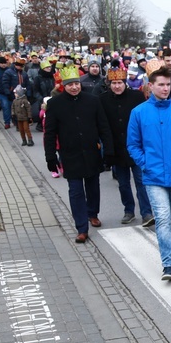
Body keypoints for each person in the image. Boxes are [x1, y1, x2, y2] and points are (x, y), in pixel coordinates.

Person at [127, 60, 171, 280]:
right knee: (163, 217)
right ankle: (168, 263)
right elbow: (133, 144)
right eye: (161, 84)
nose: (165, 88)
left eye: (168, 84)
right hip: (154, 176)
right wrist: (146, 163)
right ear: (150, 86)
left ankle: (170, 254)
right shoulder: (138, 112)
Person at [44, 64, 113, 244]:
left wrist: (109, 150)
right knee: (75, 192)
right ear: (63, 86)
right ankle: (81, 228)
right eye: (70, 85)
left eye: (76, 83)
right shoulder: (54, 104)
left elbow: (103, 127)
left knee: (93, 187)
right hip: (69, 154)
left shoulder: (92, 101)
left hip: (91, 152)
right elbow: (50, 133)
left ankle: (93, 214)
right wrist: (50, 157)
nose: (74, 87)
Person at [99, 66, 153, 226]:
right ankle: (128, 210)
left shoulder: (136, 96)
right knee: (123, 183)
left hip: (136, 147)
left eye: (120, 82)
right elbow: (103, 126)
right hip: (116, 148)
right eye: (114, 83)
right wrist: (107, 150)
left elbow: (145, 121)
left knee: (141, 181)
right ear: (109, 84)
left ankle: (146, 212)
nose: (117, 86)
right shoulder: (103, 99)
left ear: (125, 83)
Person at [1, 58, 30, 128]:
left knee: (21, 109)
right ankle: (8, 122)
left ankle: (19, 124)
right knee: (10, 108)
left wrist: (28, 93)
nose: (20, 67)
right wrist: (8, 92)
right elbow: (5, 83)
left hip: (22, 94)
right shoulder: (8, 72)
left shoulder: (24, 73)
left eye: (21, 66)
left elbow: (27, 84)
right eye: (18, 65)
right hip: (12, 93)